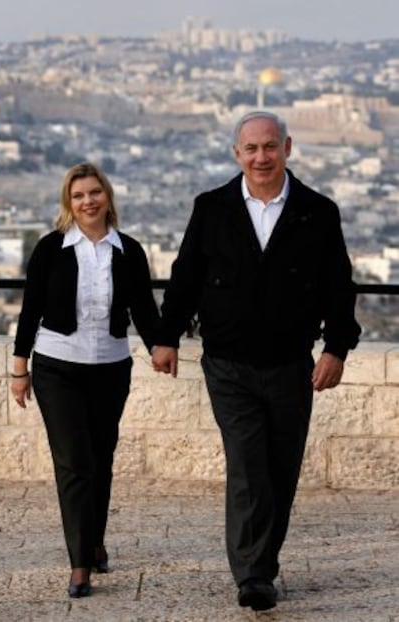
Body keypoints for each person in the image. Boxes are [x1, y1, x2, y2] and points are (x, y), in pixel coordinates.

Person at [152, 111, 361, 612]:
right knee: (248, 465)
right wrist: (166, 337)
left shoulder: (318, 211)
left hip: (292, 364)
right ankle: (254, 574)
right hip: (227, 363)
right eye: (251, 148)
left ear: (287, 147)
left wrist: (336, 348)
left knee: (280, 469)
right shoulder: (212, 208)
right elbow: (185, 278)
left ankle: (262, 562)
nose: (261, 157)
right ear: (237, 154)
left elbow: (339, 286)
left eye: (270, 147)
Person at [11, 162, 159, 598]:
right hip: (57, 366)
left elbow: (143, 310)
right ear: (68, 203)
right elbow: (30, 310)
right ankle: (80, 564)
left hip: (112, 367)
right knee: (75, 463)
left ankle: (94, 540)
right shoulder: (50, 249)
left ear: (107, 197)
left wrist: (160, 347)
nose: (88, 201)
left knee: (100, 458)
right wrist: (19, 370)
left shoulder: (128, 250)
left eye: (94, 193)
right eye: (78, 196)